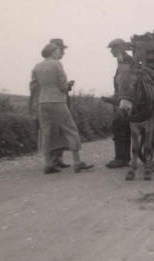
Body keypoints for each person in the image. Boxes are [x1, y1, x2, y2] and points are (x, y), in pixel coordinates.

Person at [30, 40, 93, 174]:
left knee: (46, 132)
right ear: (53, 52)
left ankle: (48, 164)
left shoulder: (37, 66)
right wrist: (69, 85)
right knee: (71, 129)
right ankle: (77, 162)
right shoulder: (57, 64)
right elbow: (63, 86)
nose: (60, 53)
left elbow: (34, 86)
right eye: (58, 51)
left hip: (42, 102)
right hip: (57, 100)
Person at [105, 38, 133, 168]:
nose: (111, 51)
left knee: (120, 126)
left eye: (113, 48)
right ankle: (123, 157)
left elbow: (125, 83)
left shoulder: (125, 61)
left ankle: (122, 159)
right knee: (121, 127)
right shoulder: (123, 60)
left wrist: (120, 98)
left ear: (120, 48)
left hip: (126, 99)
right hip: (122, 98)